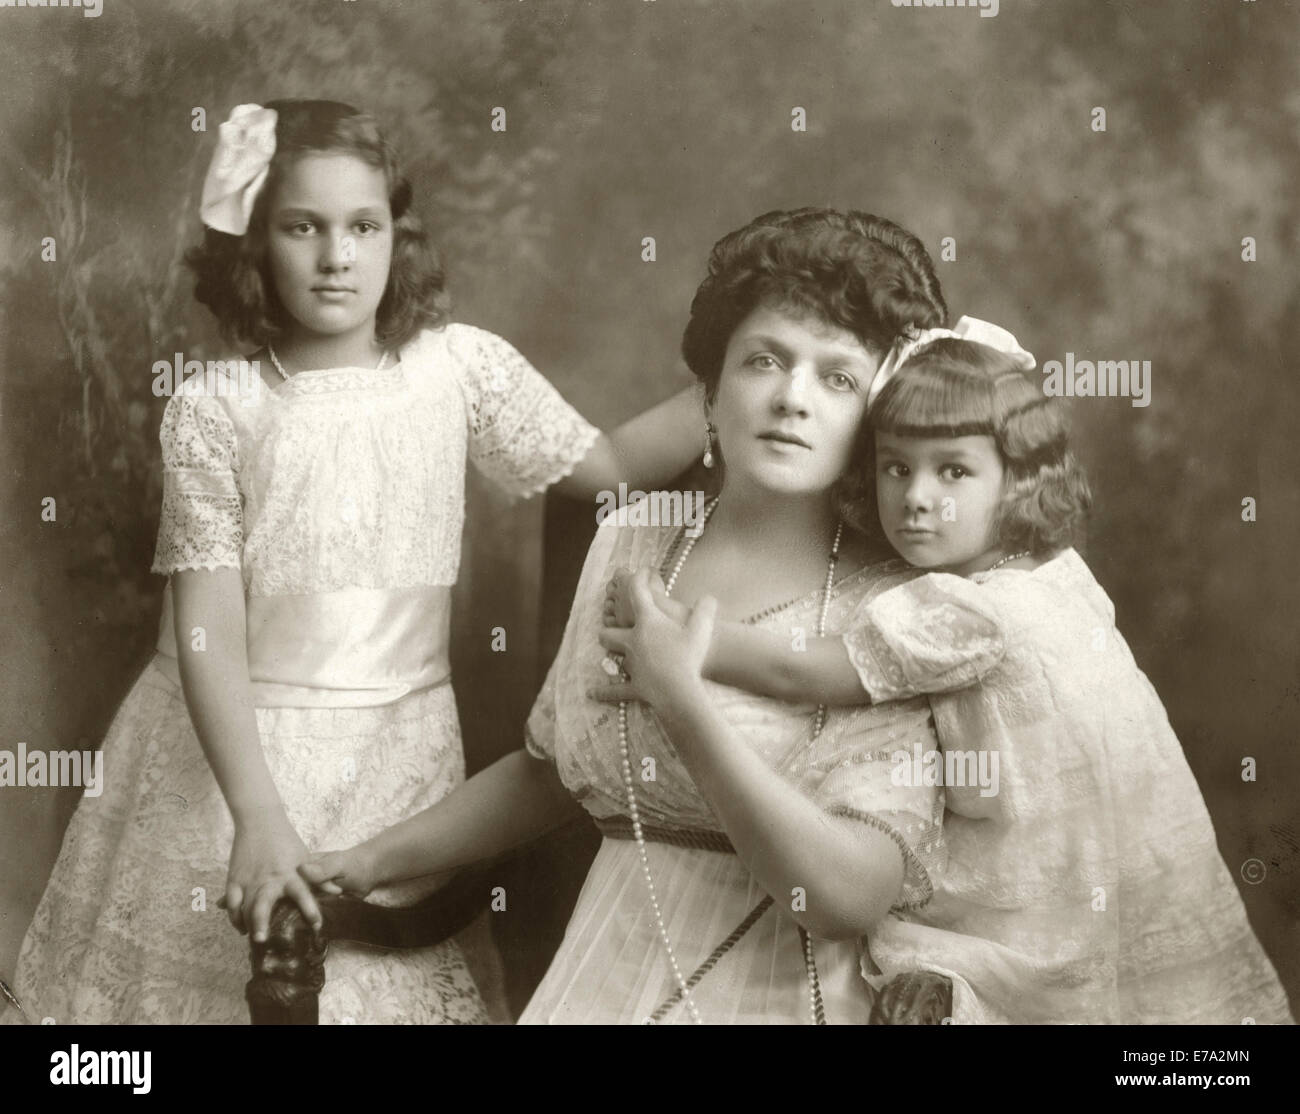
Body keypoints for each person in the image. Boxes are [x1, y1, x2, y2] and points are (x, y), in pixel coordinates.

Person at [3, 99, 701, 1025]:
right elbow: (204, 624)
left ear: (395, 238)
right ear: (256, 246)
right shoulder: (218, 406)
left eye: (362, 226)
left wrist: (732, 382)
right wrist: (255, 813)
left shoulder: (458, 368)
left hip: (398, 750)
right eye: (303, 227)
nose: (337, 256)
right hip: (231, 756)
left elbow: (605, 468)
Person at [302, 207, 951, 1023]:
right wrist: (372, 859)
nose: (792, 398)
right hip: (599, 979)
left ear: (876, 417)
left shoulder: (899, 602)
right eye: (765, 360)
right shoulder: (634, 538)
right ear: (711, 392)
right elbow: (553, 772)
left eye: (838, 377)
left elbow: (847, 896)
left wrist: (681, 699)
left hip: (784, 993)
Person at [602, 321, 1294, 1023]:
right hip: (1123, 856)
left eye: (953, 471)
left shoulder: (964, 611)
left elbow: (800, 672)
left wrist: (687, 638)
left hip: (1044, 873)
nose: (917, 498)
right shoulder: (1061, 574)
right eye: (896, 468)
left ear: (1019, 477)